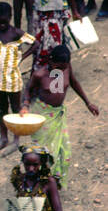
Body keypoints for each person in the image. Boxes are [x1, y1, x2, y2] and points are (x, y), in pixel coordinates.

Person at [22, 43, 100, 184]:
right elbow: (28, 90)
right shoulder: (39, 74)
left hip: (58, 115)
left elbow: (74, 83)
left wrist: (88, 103)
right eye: (58, 67)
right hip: (42, 115)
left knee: (62, 150)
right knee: (41, 151)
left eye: (64, 67)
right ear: (50, 61)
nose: (60, 70)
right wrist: (25, 105)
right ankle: (38, 181)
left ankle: (53, 180)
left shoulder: (66, 68)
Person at [0, 2, 35, 152]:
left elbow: (35, 43)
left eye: (4, 21)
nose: (2, 25)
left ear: (10, 17)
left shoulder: (16, 33)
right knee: (2, 108)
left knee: (15, 108)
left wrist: (23, 57)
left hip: (13, 79)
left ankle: (16, 139)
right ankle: (3, 138)